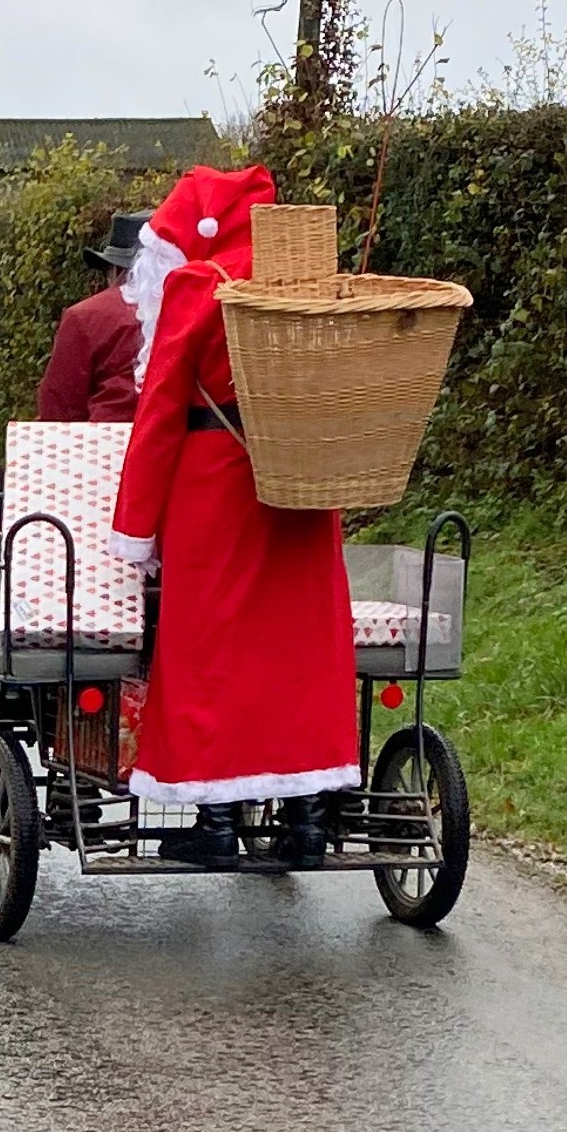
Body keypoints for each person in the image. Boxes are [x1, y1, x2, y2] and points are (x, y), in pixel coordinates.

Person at [107, 166, 358, 868]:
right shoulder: (303, 284)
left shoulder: (197, 286)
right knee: (299, 651)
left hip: (216, 491)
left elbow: (159, 416)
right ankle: (308, 822)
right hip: (302, 482)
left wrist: (135, 525)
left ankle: (214, 823)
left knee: (210, 652)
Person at [35, 210, 150, 422]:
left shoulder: (86, 317)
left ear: (115, 269)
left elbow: (59, 407)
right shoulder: (205, 310)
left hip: (110, 447)